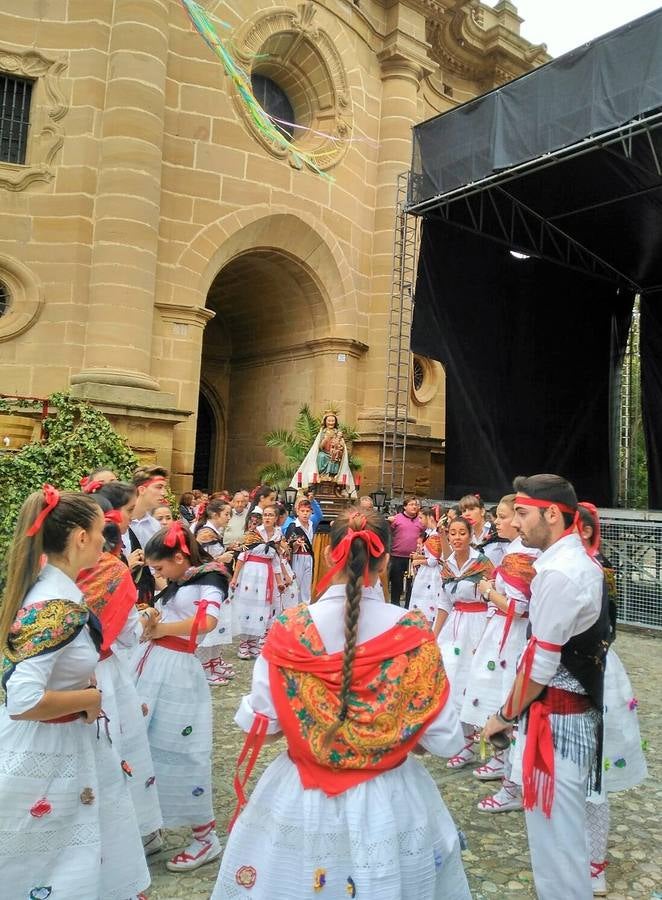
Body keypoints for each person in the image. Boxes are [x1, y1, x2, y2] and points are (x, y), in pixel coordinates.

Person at [210, 510, 471, 900]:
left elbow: (262, 724)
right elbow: (446, 740)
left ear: (331, 554)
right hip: (389, 798)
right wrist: (391, 731)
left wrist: (311, 721)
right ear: (385, 561)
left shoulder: (289, 629)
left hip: (303, 794)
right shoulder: (414, 634)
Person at [0, 486, 150, 899]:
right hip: (48, 748)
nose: (106, 540)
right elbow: (24, 699)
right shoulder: (57, 607)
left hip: (66, 743)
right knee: (52, 864)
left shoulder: (55, 593)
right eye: (102, 531)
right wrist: (89, 700)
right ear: (82, 538)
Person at [482, 475, 609, 900]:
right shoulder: (572, 562)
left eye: (522, 513)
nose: (516, 523)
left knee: (556, 845)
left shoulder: (559, 572)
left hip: (559, 725)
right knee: (560, 840)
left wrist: (503, 716)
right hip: (563, 716)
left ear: (552, 514)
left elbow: (540, 664)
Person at [135, 521, 227, 873]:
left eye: (159, 568)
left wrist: (160, 629)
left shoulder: (210, 577)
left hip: (177, 671)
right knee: (144, 745)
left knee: (182, 751)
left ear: (178, 557)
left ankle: (205, 836)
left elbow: (207, 622)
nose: (157, 575)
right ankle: (150, 826)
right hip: (153, 665)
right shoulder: (182, 580)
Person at [77, 481, 164, 847]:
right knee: (118, 747)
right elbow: (128, 635)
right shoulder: (112, 570)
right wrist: (148, 616)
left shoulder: (54, 564)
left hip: (66, 674)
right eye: (128, 512)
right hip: (105, 673)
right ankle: (131, 833)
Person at [576, 504, 648, 897]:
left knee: (595, 773)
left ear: (586, 531)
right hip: (568, 668)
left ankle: (594, 860)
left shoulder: (597, 568)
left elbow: (609, 622)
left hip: (595, 669)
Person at [459, 494, 539, 809]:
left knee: (509, 701)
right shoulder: (515, 550)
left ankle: (514, 784)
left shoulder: (521, 555)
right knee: (496, 697)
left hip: (513, 637)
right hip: (502, 633)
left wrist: (489, 591)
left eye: (504, 517)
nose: (499, 522)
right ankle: (503, 762)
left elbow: (518, 608)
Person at [432, 516, 494, 770]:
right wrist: (434, 634)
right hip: (455, 627)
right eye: (453, 533)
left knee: (473, 681)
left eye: (462, 533)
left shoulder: (482, 563)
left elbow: (493, 599)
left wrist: (488, 635)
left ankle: (486, 741)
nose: (457, 538)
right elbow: (444, 602)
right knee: (453, 679)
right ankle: (463, 742)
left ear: (470, 536)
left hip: (478, 625)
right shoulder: (447, 566)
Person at [231, 505, 287, 659]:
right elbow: (242, 556)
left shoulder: (277, 536)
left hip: (266, 575)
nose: (267, 518)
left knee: (262, 608)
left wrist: (279, 581)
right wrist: (235, 577)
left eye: (271, 515)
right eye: (265, 515)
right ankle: (243, 644)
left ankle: (254, 643)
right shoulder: (254, 533)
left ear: (276, 518)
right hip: (250, 573)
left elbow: (276, 561)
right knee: (248, 607)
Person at [122, 465, 169, 607]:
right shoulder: (118, 523)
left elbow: (155, 570)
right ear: (142, 489)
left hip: (144, 598)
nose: (164, 493)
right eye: (159, 487)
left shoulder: (155, 525)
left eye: (164, 488)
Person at [290, 412, 356, 492]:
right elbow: (320, 446)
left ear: (335, 422)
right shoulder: (323, 432)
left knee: (335, 458)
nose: (331, 423)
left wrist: (339, 446)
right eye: (329, 421)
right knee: (321, 456)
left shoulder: (337, 432)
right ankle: (322, 475)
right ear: (325, 422)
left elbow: (342, 445)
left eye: (333, 421)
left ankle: (331, 476)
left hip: (334, 453)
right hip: (324, 453)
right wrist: (326, 439)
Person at [388, 496, 423, 605]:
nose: (414, 507)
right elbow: (388, 532)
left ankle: (409, 606)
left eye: (416, 505)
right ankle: (394, 606)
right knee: (396, 583)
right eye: (411, 504)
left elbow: (425, 534)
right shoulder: (396, 518)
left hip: (413, 558)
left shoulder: (421, 520)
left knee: (411, 585)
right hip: (397, 556)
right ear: (404, 507)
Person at [285, 498, 316, 604]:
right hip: (297, 557)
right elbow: (288, 546)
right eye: (302, 511)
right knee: (295, 584)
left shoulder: (311, 524)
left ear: (311, 512)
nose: (305, 514)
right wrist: (296, 544)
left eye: (307, 511)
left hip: (308, 556)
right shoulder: (293, 526)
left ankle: (305, 606)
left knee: (306, 585)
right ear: (297, 512)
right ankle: (292, 606)